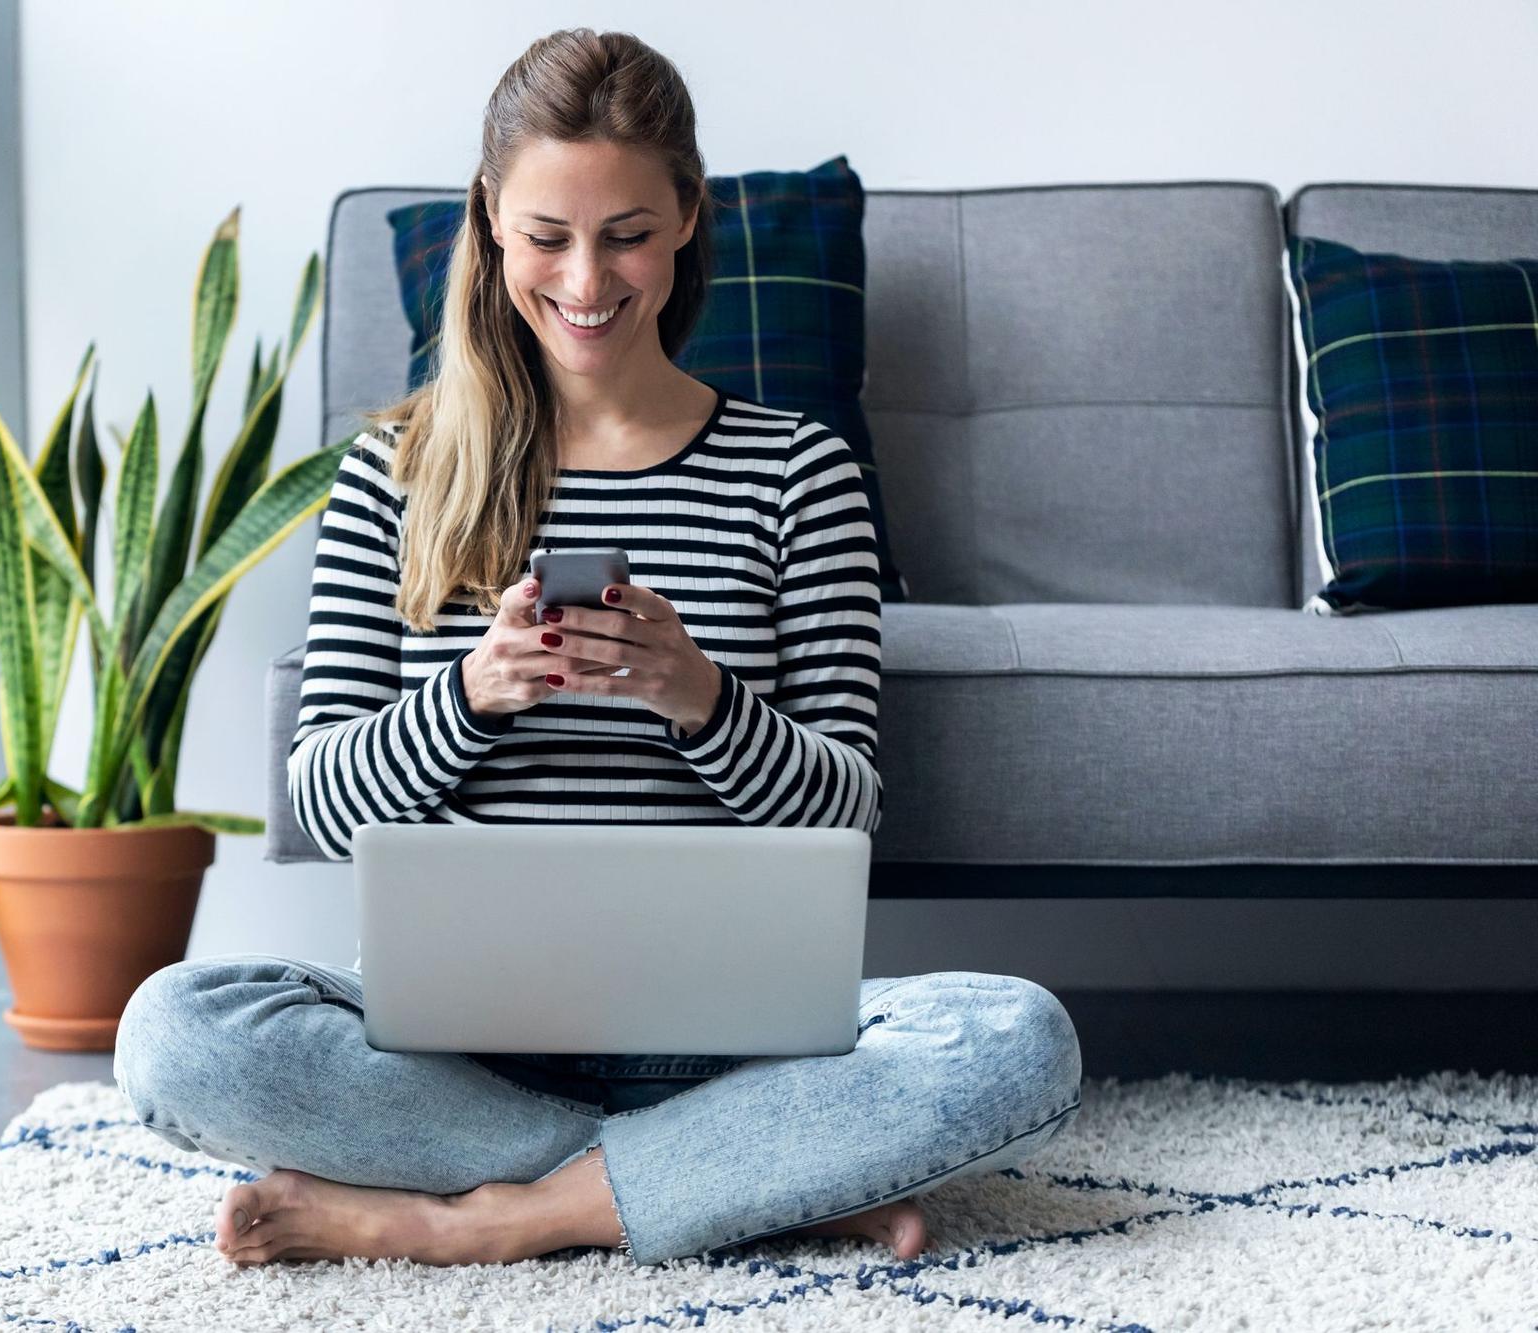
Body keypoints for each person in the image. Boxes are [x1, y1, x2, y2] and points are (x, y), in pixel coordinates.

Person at [113, 26, 1082, 1271]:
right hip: (453, 1042)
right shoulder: (396, 475)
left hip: (732, 1037)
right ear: (489, 225)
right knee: (174, 1029)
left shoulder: (797, 472)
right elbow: (321, 797)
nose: (585, 280)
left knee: (1016, 1035)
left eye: (625, 231)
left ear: (685, 217)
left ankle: (495, 1214)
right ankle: (744, 1173)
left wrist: (699, 696)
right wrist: (468, 694)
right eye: (546, 236)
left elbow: (847, 804)